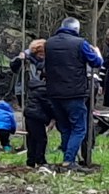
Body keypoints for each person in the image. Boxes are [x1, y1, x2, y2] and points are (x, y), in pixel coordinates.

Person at [43, 17, 104, 173]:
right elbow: (96, 63)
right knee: (79, 128)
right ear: (76, 29)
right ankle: (69, 160)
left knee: (64, 127)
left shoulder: (49, 43)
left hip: (54, 93)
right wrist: (97, 53)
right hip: (74, 92)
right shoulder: (79, 43)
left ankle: (67, 157)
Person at [11, 40, 52, 168]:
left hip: (33, 101)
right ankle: (40, 160)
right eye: (40, 54)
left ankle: (31, 160)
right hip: (32, 91)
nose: (42, 56)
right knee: (40, 138)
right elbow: (14, 67)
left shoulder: (48, 60)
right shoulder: (27, 58)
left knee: (32, 136)